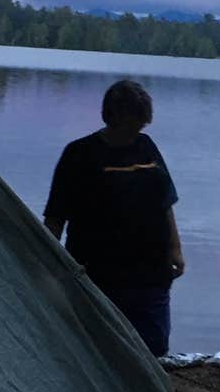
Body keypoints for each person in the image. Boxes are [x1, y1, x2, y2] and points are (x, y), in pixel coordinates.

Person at [43, 79, 184, 357]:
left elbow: (165, 202)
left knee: (153, 350)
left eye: (142, 123)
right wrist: (47, 265)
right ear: (114, 116)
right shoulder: (79, 154)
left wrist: (176, 248)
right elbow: (55, 217)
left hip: (152, 275)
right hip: (98, 276)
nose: (139, 130)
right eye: (134, 123)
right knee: (96, 351)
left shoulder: (146, 146)